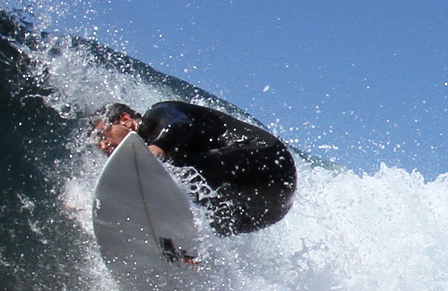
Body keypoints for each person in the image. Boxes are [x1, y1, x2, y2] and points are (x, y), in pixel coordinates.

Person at [91, 101, 297, 235]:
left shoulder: (156, 115)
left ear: (125, 120)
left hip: (267, 158)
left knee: (178, 169)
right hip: (272, 206)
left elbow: (181, 124)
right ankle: (187, 253)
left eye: (103, 135)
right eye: (97, 143)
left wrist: (156, 149)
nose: (102, 145)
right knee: (212, 226)